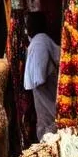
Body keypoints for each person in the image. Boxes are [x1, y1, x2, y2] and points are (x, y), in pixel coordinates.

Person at [24, 11, 62, 139]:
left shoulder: (40, 41)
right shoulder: (39, 40)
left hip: (46, 95)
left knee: (50, 128)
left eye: (28, 24)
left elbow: (38, 77)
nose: (26, 28)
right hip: (44, 96)